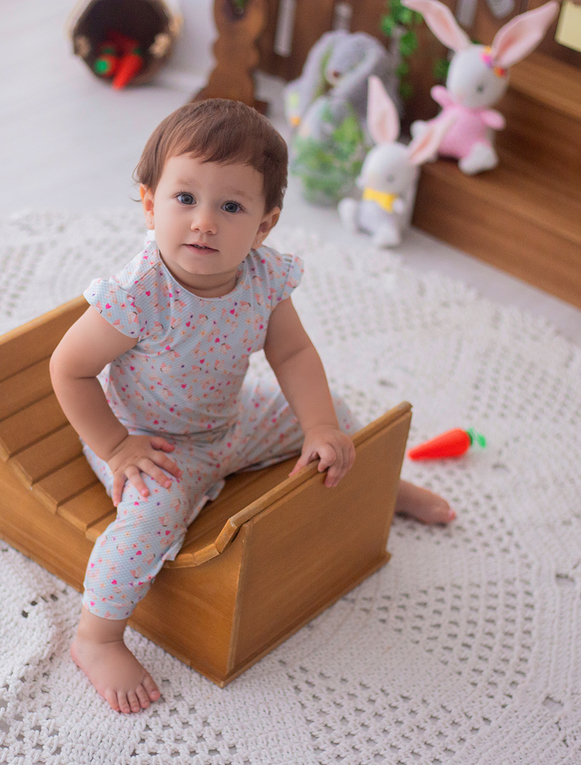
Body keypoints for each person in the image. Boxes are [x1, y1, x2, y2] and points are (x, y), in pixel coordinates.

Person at [49, 99, 454, 714]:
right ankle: (96, 636)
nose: (204, 222)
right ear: (150, 203)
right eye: (185, 199)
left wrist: (317, 425)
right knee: (145, 526)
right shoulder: (138, 296)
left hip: (229, 425)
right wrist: (114, 446)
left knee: (335, 416)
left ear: (264, 224)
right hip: (153, 446)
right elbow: (69, 368)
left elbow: (292, 355)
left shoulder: (263, 278)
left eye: (231, 206)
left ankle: (377, 482)